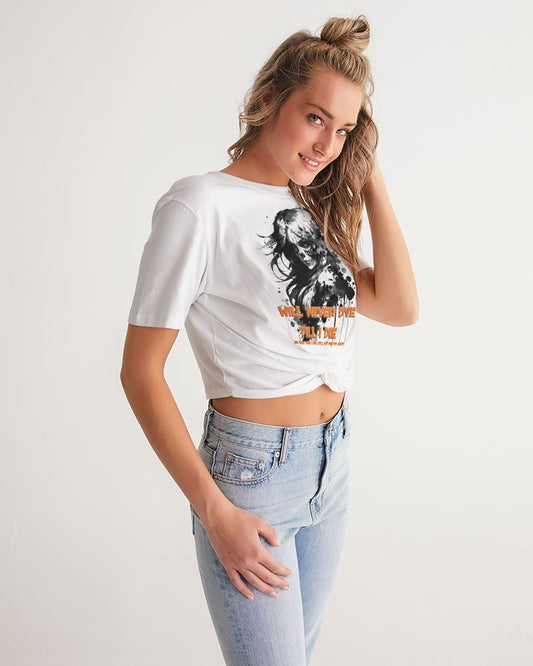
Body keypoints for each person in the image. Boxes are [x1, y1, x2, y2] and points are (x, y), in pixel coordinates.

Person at [120, 14, 418, 666]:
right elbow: (140, 372)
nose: (327, 144)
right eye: (314, 118)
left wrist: (369, 176)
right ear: (265, 101)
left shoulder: (310, 207)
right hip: (251, 475)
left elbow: (400, 307)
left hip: (331, 465)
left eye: (344, 130)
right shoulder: (198, 205)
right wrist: (214, 510)